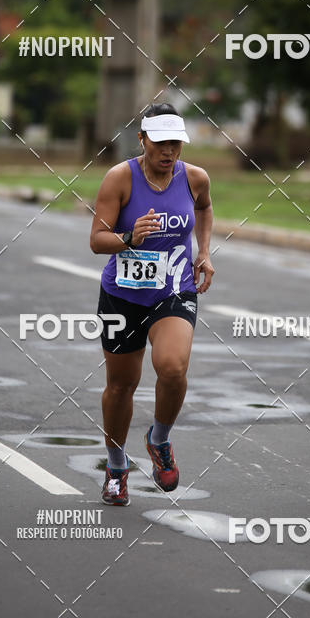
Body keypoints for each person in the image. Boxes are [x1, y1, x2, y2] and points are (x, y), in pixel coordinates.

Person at [89, 104, 214, 505]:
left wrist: (205, 252)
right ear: (142, 139)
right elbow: (96, 240)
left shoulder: (195, 178)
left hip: (174, 289)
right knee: (121, 386)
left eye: (175, 143)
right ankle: (115, 466)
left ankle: (158, 439)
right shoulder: (119, 179)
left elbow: (205, 208)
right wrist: (129, 237)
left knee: (173, 368)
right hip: (122, 295)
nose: (168, 151)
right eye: (160, 143)